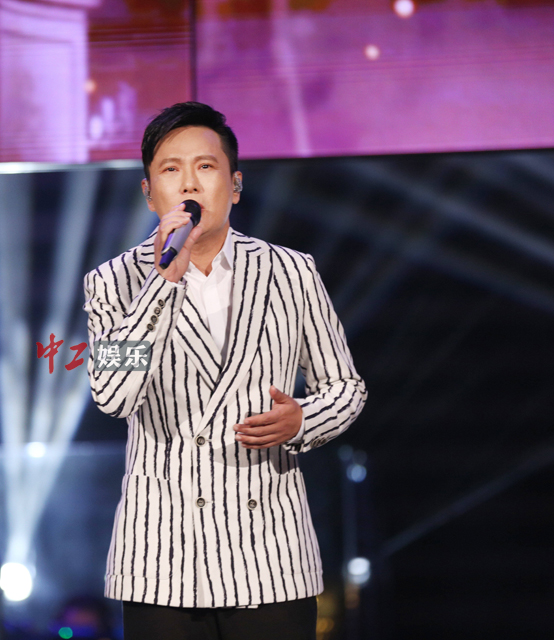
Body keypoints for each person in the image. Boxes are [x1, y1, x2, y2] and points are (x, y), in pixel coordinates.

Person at [82, 102, 366, 640]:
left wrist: (302, 420)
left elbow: (345, 386)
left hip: (270, 553)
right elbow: (113, 395)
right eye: (171, 169)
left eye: (206, 167)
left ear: (235, 185)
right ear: (149, 193)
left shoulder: (291, 272)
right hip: (162, 559)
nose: (189, 182)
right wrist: (163, 280)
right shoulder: (112, 282)